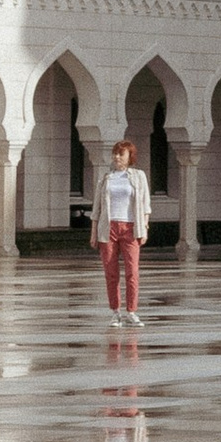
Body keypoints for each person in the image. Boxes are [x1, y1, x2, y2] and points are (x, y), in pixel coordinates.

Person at [96, 136, 149, 326]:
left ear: (129, 157)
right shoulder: (106, 178)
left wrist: (145, 227)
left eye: (121, 154)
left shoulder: (138, 176)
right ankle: (115, 312)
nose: (117, 157)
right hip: (108, 228)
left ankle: (132, 311)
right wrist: (94, 233)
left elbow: (145, 204)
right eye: (115, 154)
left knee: (132, 272)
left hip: (130, 228)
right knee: (111, 272)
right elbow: (97, 208)